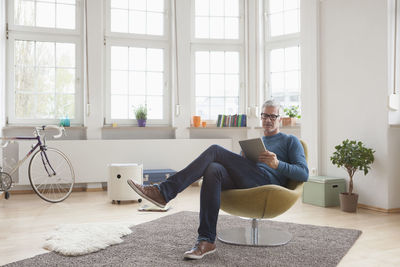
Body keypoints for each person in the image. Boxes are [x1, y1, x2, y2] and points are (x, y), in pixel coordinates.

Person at [127, 99, 308, 260]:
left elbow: (304, 173)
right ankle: (206, 241)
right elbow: (238, 168)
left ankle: (163, 192)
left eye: (272, 116)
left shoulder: (290, 141)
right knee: (213, 169)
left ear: (280, 118)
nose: (268, 119)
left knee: (215, 150)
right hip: (248, 179)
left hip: (267, 184)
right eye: (264, 115)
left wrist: (277, 164)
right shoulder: (258, 141)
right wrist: (243, 157)